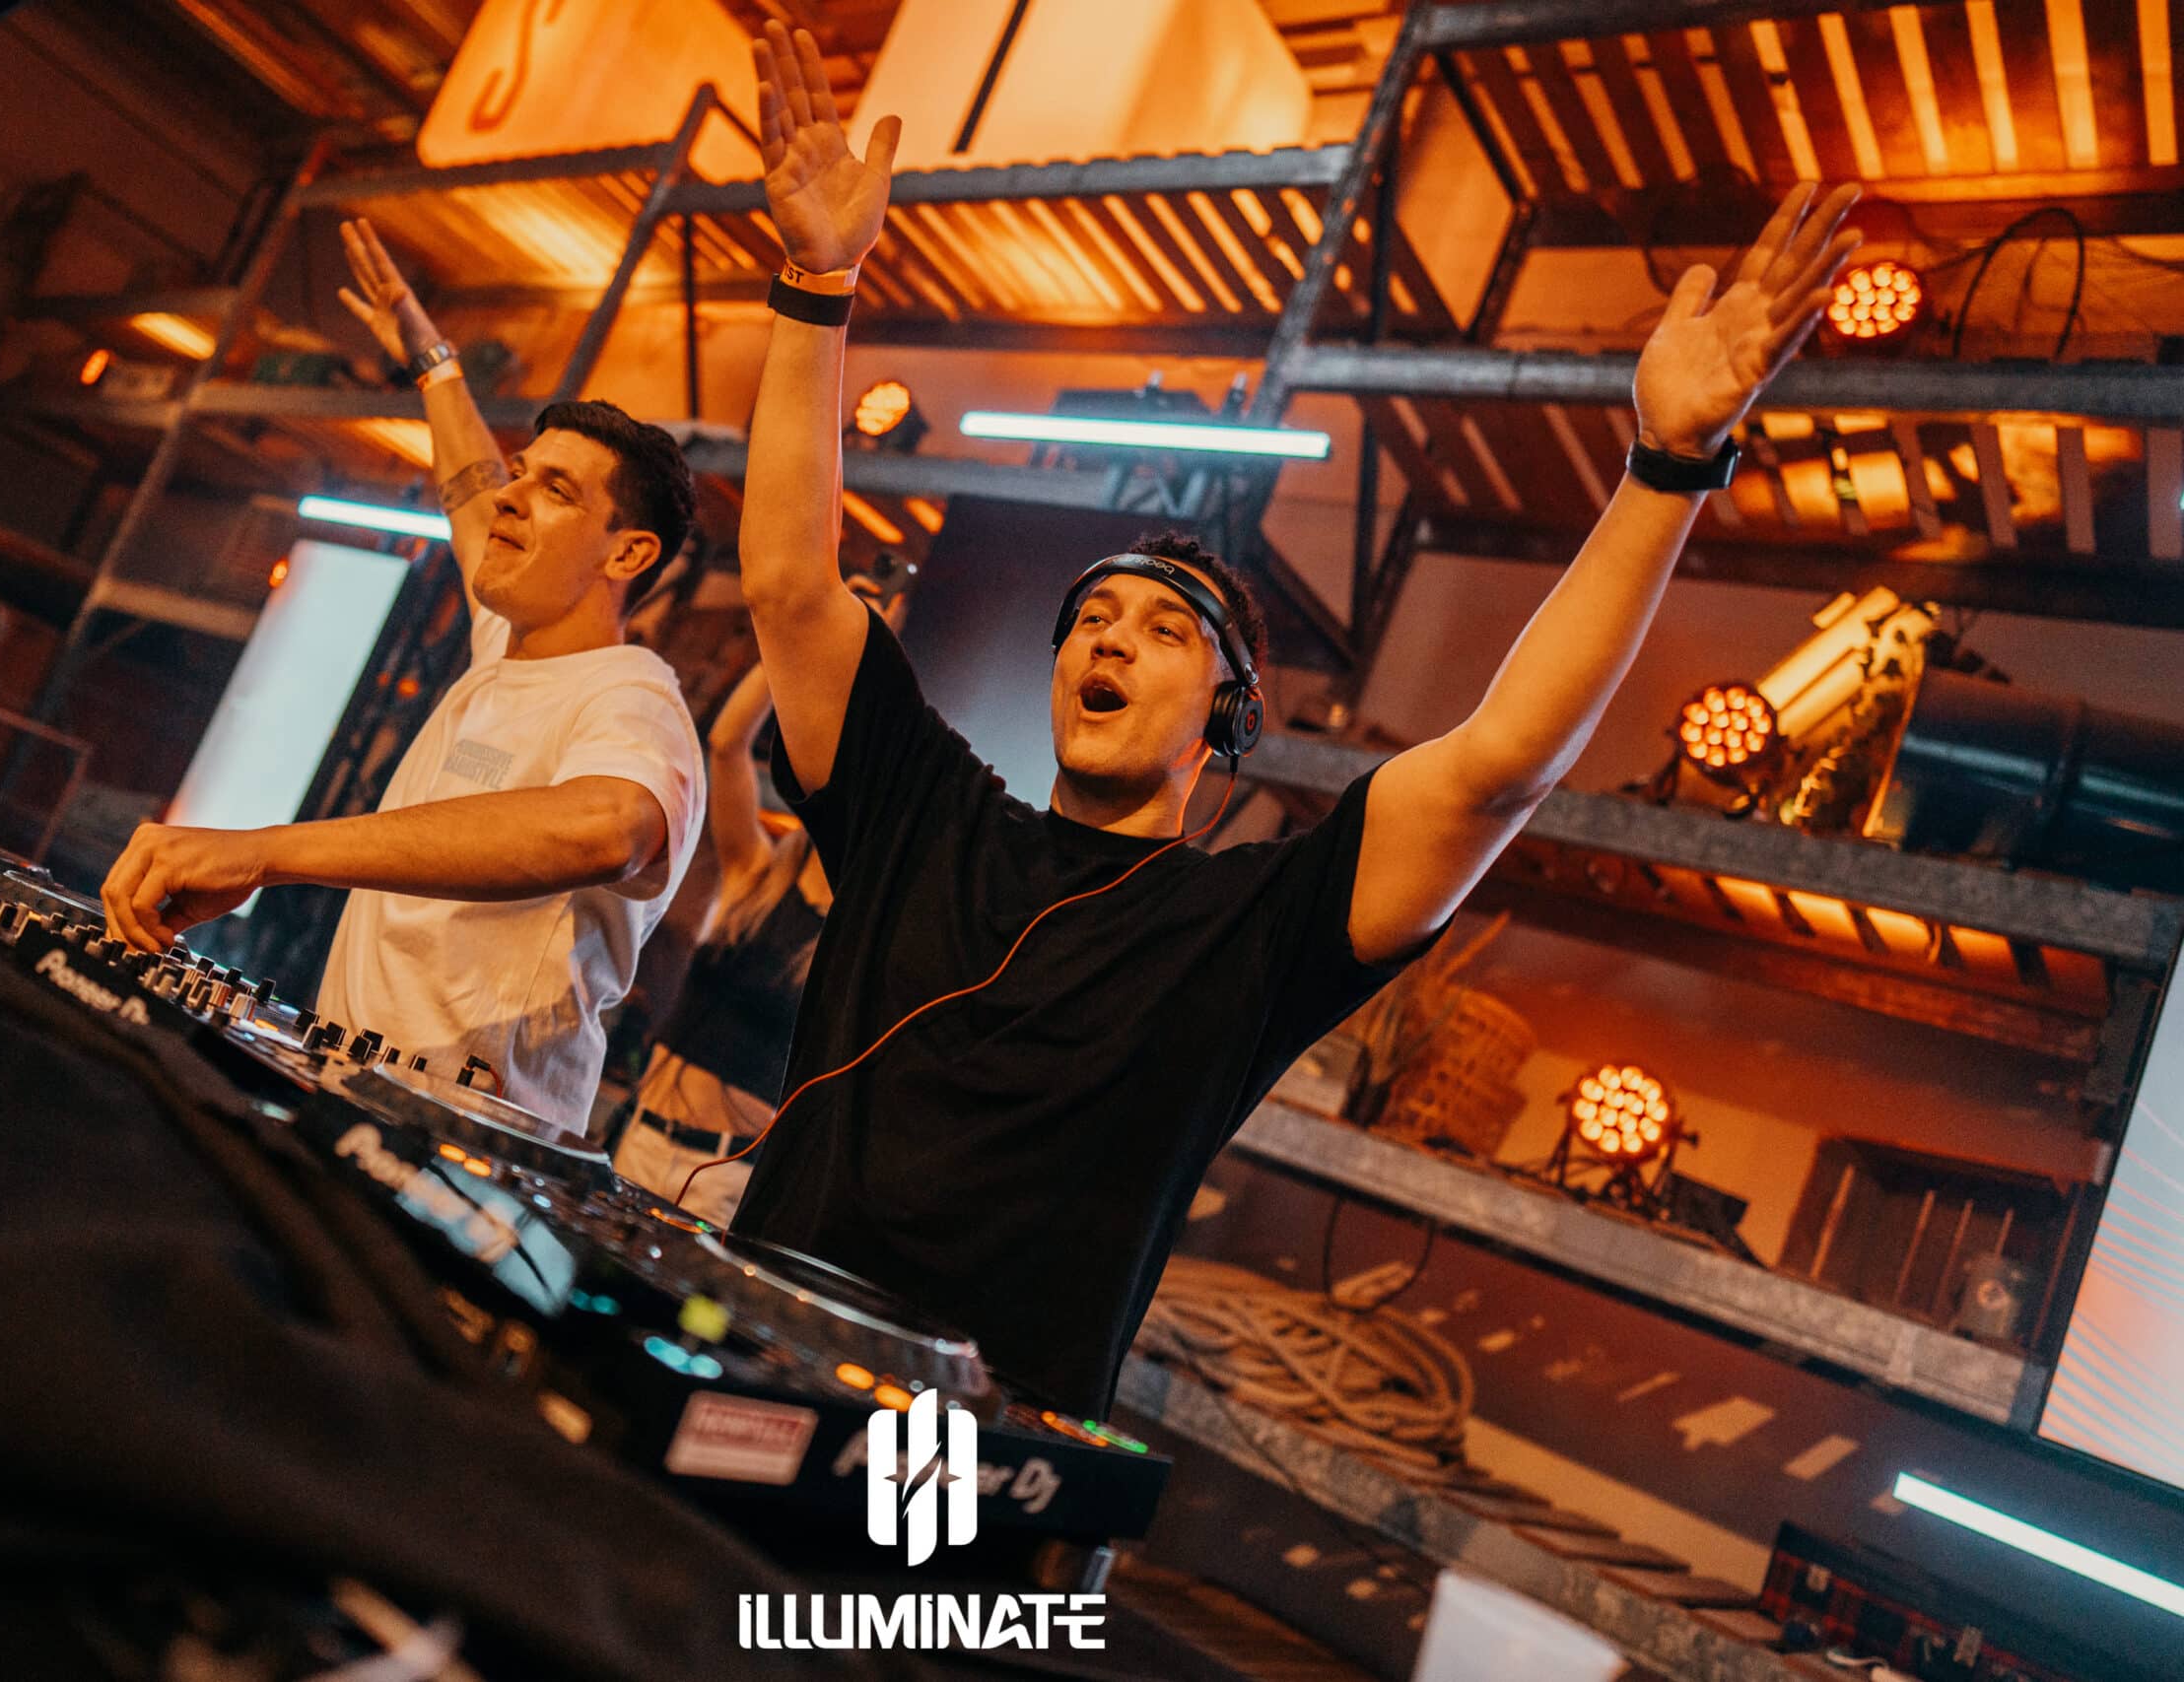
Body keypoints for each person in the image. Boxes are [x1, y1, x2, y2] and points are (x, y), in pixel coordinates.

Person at [721, 24, 1862, 1417]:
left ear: (1228, 712)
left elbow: (1499, 766)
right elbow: (790, 584)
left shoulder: (1254, 929)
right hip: (747, 1348)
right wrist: (818, 284)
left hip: (969, 1452)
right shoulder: (922, 809)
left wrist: (1670, 464)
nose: (1110, 638)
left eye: (1163, 630)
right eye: (1092, 619)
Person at [98, 219, 707, 1133]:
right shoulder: (508, 643)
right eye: (522, 473)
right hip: (355, 1094)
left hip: (462, 1139)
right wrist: (434, 363)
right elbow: (471, 487)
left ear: (628, 553)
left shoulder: (633, 698)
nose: (511, 496)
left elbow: (608, 827)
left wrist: (266, 851)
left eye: (556, 490)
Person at [613, 573, 906, 1225]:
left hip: (719, 1177)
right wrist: (797, 634)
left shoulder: (853, 934)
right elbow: (727, 744)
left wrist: (871, 660)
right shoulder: (757, 877)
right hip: (639, 1135)